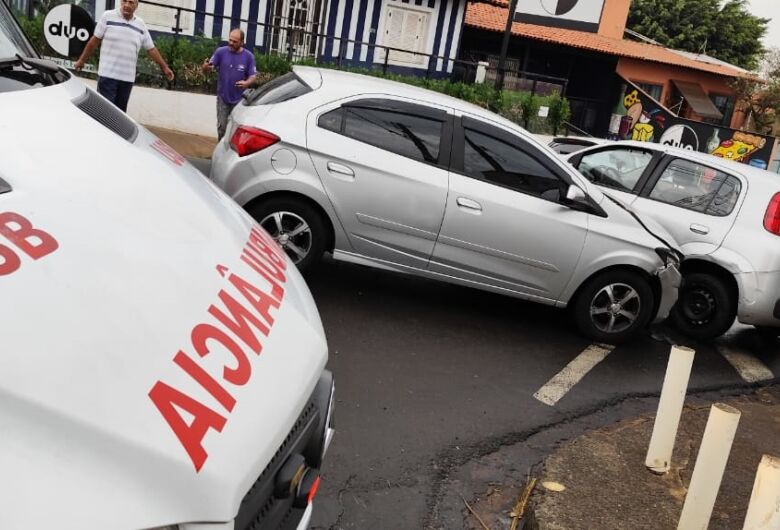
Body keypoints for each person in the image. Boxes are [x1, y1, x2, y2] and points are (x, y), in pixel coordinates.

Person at [74, 0, 174, 112]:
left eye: (131, 2)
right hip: (107, 76)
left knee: (120, 116)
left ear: (136, 5)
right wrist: (82, 60)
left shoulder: (140, 25)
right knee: (106, 113)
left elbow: (151, 49)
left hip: (127, 80)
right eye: (124, 1)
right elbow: (94, 41)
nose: (126, 5)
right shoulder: (108, 16)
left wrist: (164, 67)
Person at [202, 28, 257, 139]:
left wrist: (247, 83)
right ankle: (221, 153)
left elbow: (253, 76)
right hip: (223, 97)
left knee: (236, 130)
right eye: (230, 40)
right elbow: (209, 68)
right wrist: (205, 67)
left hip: (240, 100)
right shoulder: (220, 52)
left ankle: (231, 153)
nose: (231, 43)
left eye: (235, 41)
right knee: (222, 128)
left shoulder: (249, 57)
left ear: (242, 42)